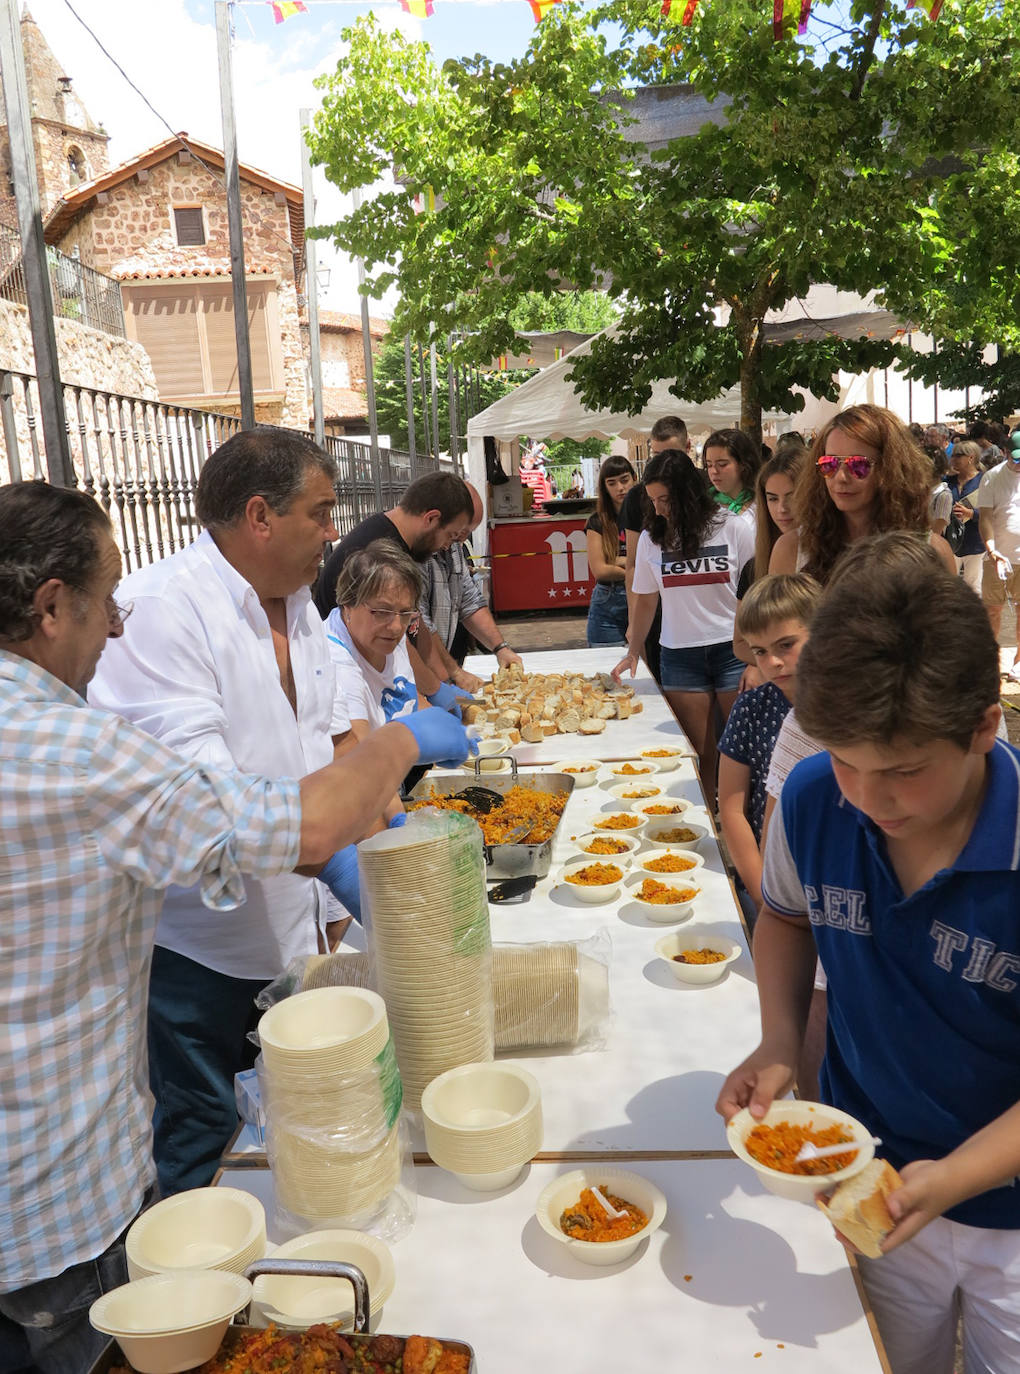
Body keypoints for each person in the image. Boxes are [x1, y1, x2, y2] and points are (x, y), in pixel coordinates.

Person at [0, 480, 468, 1374]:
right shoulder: (77, 751)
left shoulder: (290, 613)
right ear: (52, 606)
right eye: (106, 603)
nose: (116, 629)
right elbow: (291, 824)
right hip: (51, 1212)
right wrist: (403, 745)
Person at [87, 429, 461, 1196]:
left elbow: (324, 753)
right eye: (322, 513)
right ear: (260, 515)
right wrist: (392, 753)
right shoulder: (166, 614)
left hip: (291, 932)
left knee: (292, 1139)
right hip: (203, 956)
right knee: (207, 1140)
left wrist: (386, 846)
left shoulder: (297, 606)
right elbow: (223, 818)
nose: (335, 533)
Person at [716, 557, 1020, 1374]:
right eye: (845, 759)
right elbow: (783, 916)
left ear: (984, 728)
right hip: (868, 1170)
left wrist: (955, 1177)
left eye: (904, 770)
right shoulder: (816, 798)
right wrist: (781, 1039)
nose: (867, 798)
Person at [613, 447, 755, 808]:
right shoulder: (650, 539)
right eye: (653, 501)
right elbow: (645, 599)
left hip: (733, 652)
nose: (658, 509)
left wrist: (757, 658)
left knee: (742, 752)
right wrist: (633, 650)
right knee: (698, 754)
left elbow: (756, 594)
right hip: (679, 654)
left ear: (689, 495)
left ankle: (749, 829)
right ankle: (708, 832)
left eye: (666, 499)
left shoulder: (734, 527)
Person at [312, 471, 476, 706]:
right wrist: (435, 689)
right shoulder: (377, 550)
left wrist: (440, 685)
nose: (446, 546)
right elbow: (396, 639)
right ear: (431, 518)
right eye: (450, 536)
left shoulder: (400, 544)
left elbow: (416, 628)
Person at [717, 573, 819, 917]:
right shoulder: (750, 707)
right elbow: (731, 808)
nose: (772, 662)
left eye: (786, 645)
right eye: (760, 651)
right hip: (769, 882)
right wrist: (764, 892)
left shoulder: (846, 708)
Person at [769, 403, 957, 583]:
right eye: (829, 464)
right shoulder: (792, 550)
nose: (841, 477)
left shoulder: (931, 553)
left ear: (890, 469)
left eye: (858, 464)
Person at [419, 482, 523, 683]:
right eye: (458, 532)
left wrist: (500, 648)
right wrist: (454, 672)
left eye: (465, 533)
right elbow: (419, 624)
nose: (460, 539)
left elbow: (468, 600)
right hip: (417, 680)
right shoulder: (413, 552)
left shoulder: (453, 545)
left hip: (437, 675)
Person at [620, 415, 691, 683]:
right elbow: (634, 566)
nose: (663, 466)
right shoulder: (638, 497)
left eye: (670, 455)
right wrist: (633, 626)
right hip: (659, 610)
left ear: (687, 448)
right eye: (656, 456)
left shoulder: (705, 488)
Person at [977, 431, 1020, 681]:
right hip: (998, 557)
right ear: (1004, 453)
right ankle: (990, 661)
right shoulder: (992, 478)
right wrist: (992, 550)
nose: (1019, 464)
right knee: (993, 610)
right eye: (1015, 459)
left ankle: (1018, 662)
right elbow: (985, 518)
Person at [584, 455, 637, 647]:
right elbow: (600, 570)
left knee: (649, 671)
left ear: (634, 478)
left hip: (644, 598)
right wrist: (632, 567)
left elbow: (653, 561)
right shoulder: (597, 521)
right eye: (612, 483)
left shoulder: (649, 515)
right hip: (608, 600)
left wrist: (617, 560)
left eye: (624, 480)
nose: (620, 488)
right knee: (606, 666)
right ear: (604, 487)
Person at [945, 438, 985, 592]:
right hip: (949, 542)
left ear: (971, 458)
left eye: (957, 455)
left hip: (974, 543)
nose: (953, 459)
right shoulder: (947, 481)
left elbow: (992, 512)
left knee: (973, 588)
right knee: (949, 588)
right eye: (952, 455)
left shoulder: (984, 481)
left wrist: (971, 513)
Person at [703, 427, 760, 520]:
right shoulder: (703, 506)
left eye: (722, 464)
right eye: (709, 465)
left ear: (743, 464)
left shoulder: (762, 503)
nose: (714, 471)